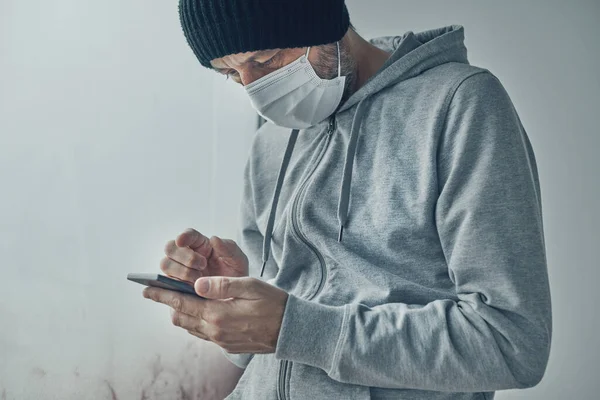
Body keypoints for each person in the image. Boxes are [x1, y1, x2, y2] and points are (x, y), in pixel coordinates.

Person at [141, 0, 553, 399]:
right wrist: (238, 299)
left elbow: (511, 342)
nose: (254, 89)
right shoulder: (270, 140)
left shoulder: (460, 105)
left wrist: (296, 328)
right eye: (230, 74)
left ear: (321, 21)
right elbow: (274, 344)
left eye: (266, 60)